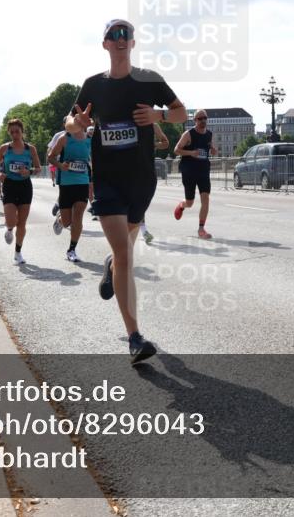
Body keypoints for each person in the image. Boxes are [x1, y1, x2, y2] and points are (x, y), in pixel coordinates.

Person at [66, 18, 187, 364]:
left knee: (123, 252)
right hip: (107, 180)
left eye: (126, 34)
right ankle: (134, 337)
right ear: (104, 44)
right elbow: (71, 121)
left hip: (141, 181)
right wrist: (79, 124)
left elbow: (182, 112)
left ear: (133, 42)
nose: (120, 39)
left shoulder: (149, 80)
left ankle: (111, 265)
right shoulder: (93, 85)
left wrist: (158, 115)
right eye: (113, 35)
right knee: (125, 255)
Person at [0, 118, 41, 265]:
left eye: (17, 131)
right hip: (9, 185)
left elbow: (38, 169)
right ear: (9, 133)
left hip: (25, 186)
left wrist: (29, 171)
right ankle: (9, 229)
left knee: (22, 223)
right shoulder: (4, 148)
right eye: (12, 132)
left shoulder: (30, 149)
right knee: (11, 221)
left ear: (22, 132)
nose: (15, 134)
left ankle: (18, 253)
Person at [47, 123, 92, 262]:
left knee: (78, 216)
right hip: (66, 183)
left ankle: (71, 249)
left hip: (83, 182)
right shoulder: (64, 138)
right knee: (67, 222)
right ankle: (60, 219)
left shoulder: (90, 139)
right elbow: (51, 157)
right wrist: (60, 165)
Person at [173, 109, 218, 239]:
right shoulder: (189, 134)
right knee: (190, 202)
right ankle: (182, 205)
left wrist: (214, 150)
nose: (203, 120)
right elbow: (176, 150)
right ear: (195, 121)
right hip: (189, 171)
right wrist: (191, 153)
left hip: (203, 170)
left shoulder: (209, 134)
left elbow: (213, 151)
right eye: (200, 119)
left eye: (205, 118)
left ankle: (201, 229)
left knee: (206, 199)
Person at [139, 123, 169, 244]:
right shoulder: (127, 122)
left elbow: (166, 143)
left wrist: (154, 144)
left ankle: (139, 226)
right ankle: (143, 230)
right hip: (130, 167)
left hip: (148, 168)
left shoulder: (153, 126)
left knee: (142, 201)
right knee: (136, 201)